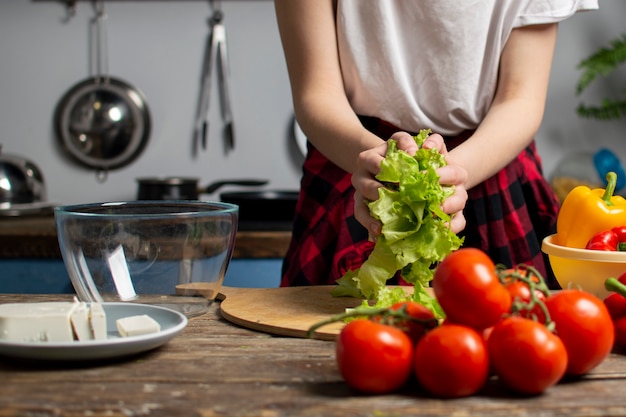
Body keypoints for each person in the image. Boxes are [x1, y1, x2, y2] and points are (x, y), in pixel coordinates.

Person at [274, 0, 599, 290]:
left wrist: (455, 173)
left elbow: (521, 98)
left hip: (490, 161)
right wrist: (376, 162)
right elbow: (316, 93)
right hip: (354, 164)